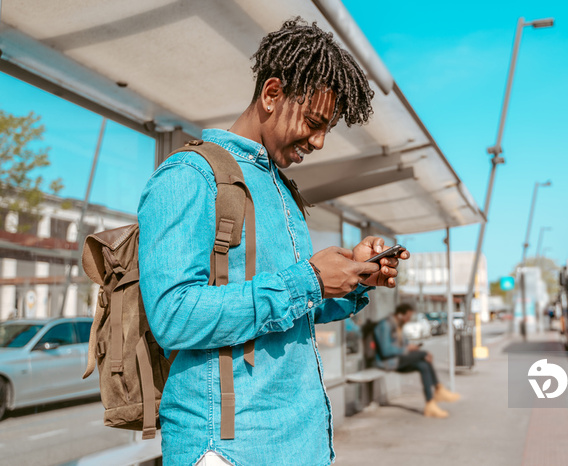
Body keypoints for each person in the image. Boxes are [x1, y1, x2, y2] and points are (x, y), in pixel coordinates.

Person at [138, 18, 409, 466]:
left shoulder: (282, 189)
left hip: (301, 444)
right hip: (228, 450)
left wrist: (356, 277)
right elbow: (173, 316)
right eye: (314, 122)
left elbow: (292, 309)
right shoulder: (189, 176)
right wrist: (309, 280)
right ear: (271, 94)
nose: (320, 142)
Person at [373, 303, 460, 418]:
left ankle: (430, 404)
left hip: (398, 360)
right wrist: (408, 349)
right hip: (387, 362)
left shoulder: (398, 326)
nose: (408, 320)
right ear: (400, 315)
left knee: (423, 365)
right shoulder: (385, 325)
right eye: (408, 317)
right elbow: (386, 351)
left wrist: (410, 348)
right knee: (424, 355)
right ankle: (438, 389)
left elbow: (404, 345)